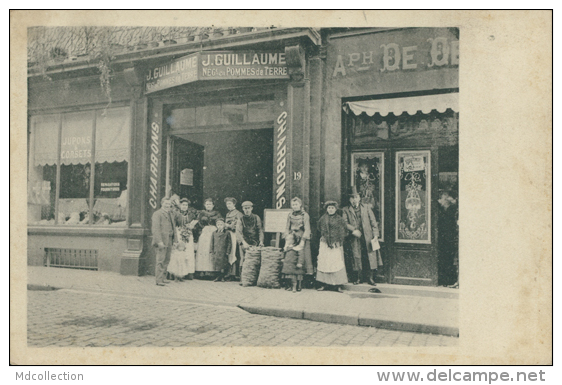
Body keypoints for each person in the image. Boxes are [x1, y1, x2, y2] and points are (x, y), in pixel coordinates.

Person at [342, 189, 383, 285]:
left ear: (359, 198)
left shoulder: (366, 207)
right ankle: (358, 278)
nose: (354, 199)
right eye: (352, 197)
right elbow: (344, 223)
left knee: (370, 257)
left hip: (368, 237)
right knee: (357, 256)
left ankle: (370, 278)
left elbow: (373, 222)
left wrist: (376, 235)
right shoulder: (345, 209)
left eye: (356, 197)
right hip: (355, 237)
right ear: (349, 199)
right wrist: (353, 230)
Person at [316, 201, 348, 292]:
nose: (330, 210)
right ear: (326, 209)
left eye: (332, 208)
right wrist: (324, 237)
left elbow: (343, 231)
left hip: (335, 245)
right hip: (325, 244)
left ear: (335, 209)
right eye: (329, 208)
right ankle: (324, 284)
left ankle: (337, 285)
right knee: (325, 262)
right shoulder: (323, 218)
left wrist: (337, 241)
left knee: (336, 263)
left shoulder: (339, 219)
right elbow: (319, 228)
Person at [284, 197, 314, 278]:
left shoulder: (305, 215)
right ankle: (292, 276)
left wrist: (303, 240)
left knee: (304, 256)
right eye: (293, 205)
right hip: (293, 237)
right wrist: (287, 236)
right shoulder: (290, 215)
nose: (295, 206)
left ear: (300, 205)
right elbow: (287, 227)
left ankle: (304, 278)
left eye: (296, 204)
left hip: (302, 236)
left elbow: (307, 229)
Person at [151, 197, 176, 286]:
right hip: (161, 240)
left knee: (167, 259)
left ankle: (163, 277)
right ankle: (158, 279)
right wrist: (159, 241)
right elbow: (155, 229)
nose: (167, 206)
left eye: (169, 204)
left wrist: (174, 239)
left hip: (169, 239)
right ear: (162, 203)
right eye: (166, 204)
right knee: (160, 260)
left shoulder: (170, 214)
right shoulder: (157, 214)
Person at [194, 198, 221, 275]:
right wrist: (201, 230)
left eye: (210, 204)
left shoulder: (217, 213)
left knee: (211, 249)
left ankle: (211, 271)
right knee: (203, 250)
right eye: (207, 204)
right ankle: (202, 270)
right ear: (204, 205)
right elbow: (198, 222)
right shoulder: (201, 213)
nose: (208, 206)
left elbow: (220, 222)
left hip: (213, 232)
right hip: (204, 232)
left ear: (213, 205)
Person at [438, 190, 459, 287]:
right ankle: (446, 280)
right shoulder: (443, 210)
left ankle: (448, 280)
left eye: (441, 199)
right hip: (445, 239)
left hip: (448, 238)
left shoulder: (450, 210)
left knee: (447, 260)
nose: (439, 201)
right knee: (446, 260)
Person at [236, 201, 264, 268]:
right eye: (245, 208)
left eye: (248, 208)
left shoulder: (256, 217)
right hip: (244, 241)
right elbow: (238, 232)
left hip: (255, 241)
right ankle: (243, 276)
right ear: (243, 209)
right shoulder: (241, 219)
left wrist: (261, 241)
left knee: (255, 259)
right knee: (243, 259)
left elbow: (260, 230)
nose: (247, 210)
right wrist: (243, 243)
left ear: (251, 208)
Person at [176, 198, 197, 280]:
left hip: (189, 235)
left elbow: (195, 226)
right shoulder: (176, 214)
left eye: (186, 205)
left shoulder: (191, 215)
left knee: (189, 252)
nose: (184, 207)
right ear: (180, 205)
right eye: (183, 205)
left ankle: (189, 272)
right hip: (179, 234)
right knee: (180, 252)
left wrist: (192, 227)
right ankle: (179, 273)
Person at [224, 197, 243, 280]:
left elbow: (240, 225)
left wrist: (231, 226)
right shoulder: (227, 214)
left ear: (234, 204)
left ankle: (236, 274)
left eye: (230, 204)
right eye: (227, 204)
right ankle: (229, 273)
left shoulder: (238, 213)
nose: (228, 205)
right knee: (229, 251)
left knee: (235, 252)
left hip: (235, 234)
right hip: (228, 235)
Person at [210, 217, 232, 282]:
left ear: (224, 225)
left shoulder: (227, 233)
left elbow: (229, 243)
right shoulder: (214, 233)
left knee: (223, 264)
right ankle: (217, 276)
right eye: (218, 224)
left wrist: (228, 251)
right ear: (216, 225)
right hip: (216, 251)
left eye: (221, 224)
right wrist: (211, 250)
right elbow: (212, 242)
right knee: (216, 264)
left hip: (223, 251)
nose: (220, 226)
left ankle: (223, 277)